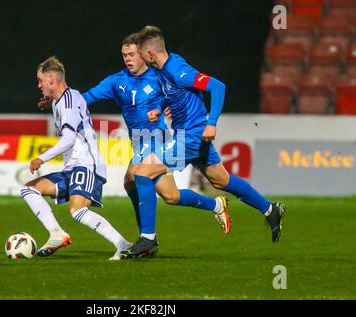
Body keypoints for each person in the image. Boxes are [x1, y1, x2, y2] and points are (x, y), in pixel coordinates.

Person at [120, 26, 287, 259]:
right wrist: (159, 109)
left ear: (149, 54)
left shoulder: (178, 70)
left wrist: (212, 122)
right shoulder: (161, 69)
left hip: (191, 134)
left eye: (138, 53)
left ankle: (147, 238)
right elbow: (173, 95)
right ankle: (270, 209)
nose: (134, 58)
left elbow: (218, 86)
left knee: (142, 172)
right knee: (221, 180)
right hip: (190, 134)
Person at [82, 33, 232, 254]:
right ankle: (216, 205)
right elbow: (86, 97)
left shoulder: (160, 75)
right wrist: (60, 97)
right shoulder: (116, 81)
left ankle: (146, 239)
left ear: (143, 54)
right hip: (138, 140)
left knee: (132, 176)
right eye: (124, 55)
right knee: (171, 196)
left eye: (132, 54)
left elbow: (183, 91)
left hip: (158, 138)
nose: (128, 59)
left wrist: (170, 107)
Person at [21, 56, 131, 260]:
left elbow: (69, 138)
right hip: (71, 168)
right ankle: (56, 234)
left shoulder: (69, 100)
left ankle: (122, 244)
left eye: (40, 80)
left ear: (52, 78)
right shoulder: (60, 101)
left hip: (87, 165)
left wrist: (41, 158)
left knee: (78, 211)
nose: (38, 85)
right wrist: (52, 100)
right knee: (29, 189)